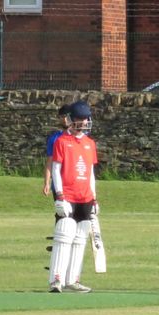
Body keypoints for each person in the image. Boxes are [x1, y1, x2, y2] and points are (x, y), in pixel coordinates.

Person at [48, 100, 99, 293]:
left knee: (80, 239)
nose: (85, 122)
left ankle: (73, 279)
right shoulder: (61, 141)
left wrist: (94, 198)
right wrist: (59, 196)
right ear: (71, 120)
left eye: (86, 118)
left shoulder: (90, 144)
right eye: (81, 118)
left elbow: (91, 173)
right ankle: (56, 280)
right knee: (64, 235)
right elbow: (55, 169)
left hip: (85, 197)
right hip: (67, 196)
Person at [43, 104, 72, 198]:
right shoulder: (54, 138)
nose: (65, 119)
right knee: (61, 211)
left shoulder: (78, 138)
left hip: (74, 183)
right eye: (62, 117)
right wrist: (47, 183)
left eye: (67, 116)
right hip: (58, 182)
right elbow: (49, 162)